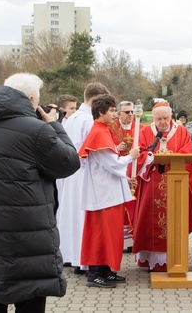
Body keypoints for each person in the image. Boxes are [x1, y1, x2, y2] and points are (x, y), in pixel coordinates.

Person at [0, 73, 80, 313]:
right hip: (27, 235)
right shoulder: (36, 130)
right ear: (32, 99)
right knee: (30, 296)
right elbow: (69, 162)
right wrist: (54, 124)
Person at [78, 94, 139, 288]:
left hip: (107, 193)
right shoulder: (99, 132)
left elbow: (106, 156)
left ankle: (106, 270)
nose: (114, 114)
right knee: (100, 234)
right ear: (101, 111)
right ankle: (95, 273)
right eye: (112, 110)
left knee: (109, 234)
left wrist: (116, 147)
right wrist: (130, 156)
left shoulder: (101, 130)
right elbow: (111, 164)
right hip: (102, 194)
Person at [133, 102, 192, 272]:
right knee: (149, 219)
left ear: (171, 116)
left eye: (166, 118)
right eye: (159, 118)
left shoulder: (181, 132)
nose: (163, 122)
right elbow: (138, 153)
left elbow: (187, 154)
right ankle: (151, 258)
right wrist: (152, 156)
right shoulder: (146, 131)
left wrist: (172, 156)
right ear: (153, 118)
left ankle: (173, 259)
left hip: (174, 184)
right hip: (150, 184)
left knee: (174, 219)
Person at [57, 82, 109, 274]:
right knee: (83, 217)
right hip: (85, 172)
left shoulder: (72, 118)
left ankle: (75, 257)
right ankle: (85, 260)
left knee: (73, 215)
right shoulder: (88, 120)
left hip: (72, 173)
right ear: (95, 100)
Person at [110, 100, 144, 253]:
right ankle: (121, 241)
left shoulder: (140, 128)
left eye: (132, 112)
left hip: (135, 171)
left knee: (134, 204)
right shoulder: (112, 128)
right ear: (119, 113)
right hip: (118, 170)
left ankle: (134, 238)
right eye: (127, 112)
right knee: (121, 206)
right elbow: (105, 148)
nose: (131, 114)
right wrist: (117, 148)